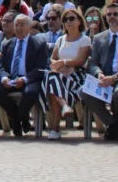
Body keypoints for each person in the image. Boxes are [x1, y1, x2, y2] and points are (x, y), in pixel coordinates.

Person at [80, 2, 118, 141]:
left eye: (115, 14)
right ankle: (114, 124)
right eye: (109, 14)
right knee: (83, 91)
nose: (112, 17)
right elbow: (93, 63)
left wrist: (115, 78)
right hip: (104, 77)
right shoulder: (98, 38)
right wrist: (99, 74)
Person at [0, 14, 48, 137]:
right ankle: (19, 119)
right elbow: (0, 66)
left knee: (31, 93)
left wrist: (25, 79)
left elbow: (40, 67)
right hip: (10, 78)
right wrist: (4, 77)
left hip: (29, 79)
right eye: (16, 25)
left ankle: (19, 118)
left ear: (29, 27)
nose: (18, 28)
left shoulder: (39, 44)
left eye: (22, 25)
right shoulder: (7, 44)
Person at [42, 8, 91, 140]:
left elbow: (81, 61)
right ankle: (65, 106)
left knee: (52, 84)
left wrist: (63, 63)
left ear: (79, 21)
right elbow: (53, 58)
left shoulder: (85, 39)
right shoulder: (61, 39)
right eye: (65, 19)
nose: (68, 22)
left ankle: (55, 129)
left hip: (77, 74)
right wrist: (59, 65)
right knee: (53, 77)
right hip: (60, 73)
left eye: (71, 18)